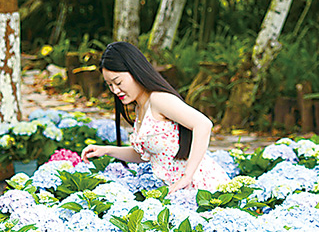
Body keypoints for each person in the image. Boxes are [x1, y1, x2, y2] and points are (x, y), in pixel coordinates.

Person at [81, 41, 229, 191]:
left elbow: (203, 124)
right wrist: (106, 150)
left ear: (135, 71)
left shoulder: (158, 99)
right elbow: (146, 154)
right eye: (110, 85)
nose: (115, 90)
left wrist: (187, 177)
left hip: (198, 185)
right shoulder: (140, 108)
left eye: (118, 82)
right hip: (175, 189)